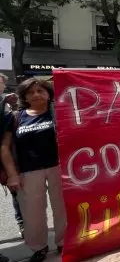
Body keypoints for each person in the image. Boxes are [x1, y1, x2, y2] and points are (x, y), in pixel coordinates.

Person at [0, 78, 66, 262]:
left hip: (58, 168)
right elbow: (4, 147)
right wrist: (12, 175)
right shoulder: (14, 118)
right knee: (32, 214)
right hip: (28, 172)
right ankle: (39, 248)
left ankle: (64, 242)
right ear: (25, 96)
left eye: (40, 91)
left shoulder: (58, 113)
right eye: (31, 92)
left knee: (63, 209)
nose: (36, 95)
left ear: (49, 94)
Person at [0, 73, 24, 239]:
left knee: (17, 192)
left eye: (0, 82)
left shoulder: (10, 103)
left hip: (10, 154)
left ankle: (23, 223)